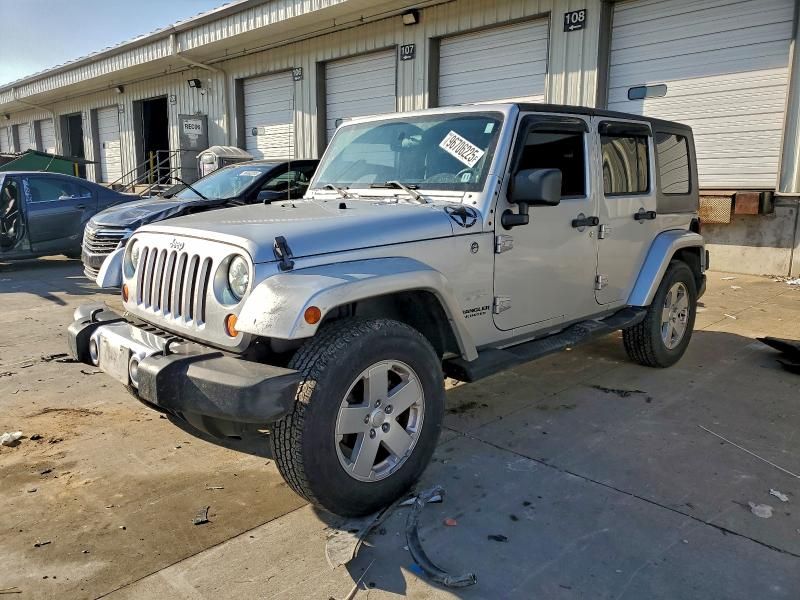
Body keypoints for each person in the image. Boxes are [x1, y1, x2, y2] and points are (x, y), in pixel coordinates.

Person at [0, 179, 20, 249]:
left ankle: (10, 239)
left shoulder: (14, 201)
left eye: (8, 191)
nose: (7, 193)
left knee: (6, 220)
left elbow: (7, 213)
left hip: (13, 219)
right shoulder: (10, 201)